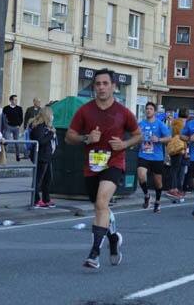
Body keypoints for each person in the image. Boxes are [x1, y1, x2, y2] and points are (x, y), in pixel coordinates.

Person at [65, 69, 142, 268]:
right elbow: (69, 136)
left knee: (101, 202)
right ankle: (113, 238)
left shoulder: (123, 112)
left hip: (114, 163)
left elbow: (138, 135)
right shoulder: (85, 110)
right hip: (91, 166)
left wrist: (124, 145)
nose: (101, 87)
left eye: (105, 83)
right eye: (98, 84)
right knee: (100, 207)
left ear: (113, 87)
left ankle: (94, 254)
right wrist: (86, 138)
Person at [136, 102, 172, 213]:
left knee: (158, 181)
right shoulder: (141, 124)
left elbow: (169, 138)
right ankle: (147, 195)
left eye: (151, 109)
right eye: (147, 109)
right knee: (141, 176)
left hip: (156, 156)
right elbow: (135, 136)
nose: (148, 110)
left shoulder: (160, 124)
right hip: (144, 154)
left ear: (155, 112)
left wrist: (159, 140)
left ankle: (157, 201)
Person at [30, 106, 57, 208]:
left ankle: (46, 198)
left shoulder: (46, 127)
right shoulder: (38, 127)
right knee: (39, 179)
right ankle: (36, 199)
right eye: (51, 114)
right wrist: (51, 133)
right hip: (41, 156)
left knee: (48, 178)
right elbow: (41, 141)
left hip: (47, 156)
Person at [2, 94, 25, 160]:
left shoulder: (19, 108)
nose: (16, 101)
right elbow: (3, 117)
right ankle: (5, 156)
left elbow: (21, 118)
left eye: (16, 100)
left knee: (17, 142)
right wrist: (5, 124)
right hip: (8, 127)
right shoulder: (6, 108)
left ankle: (17, 155)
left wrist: (19, 125)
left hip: (16, 127)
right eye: (14, 100)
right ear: (11, 100)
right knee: (6, 142)